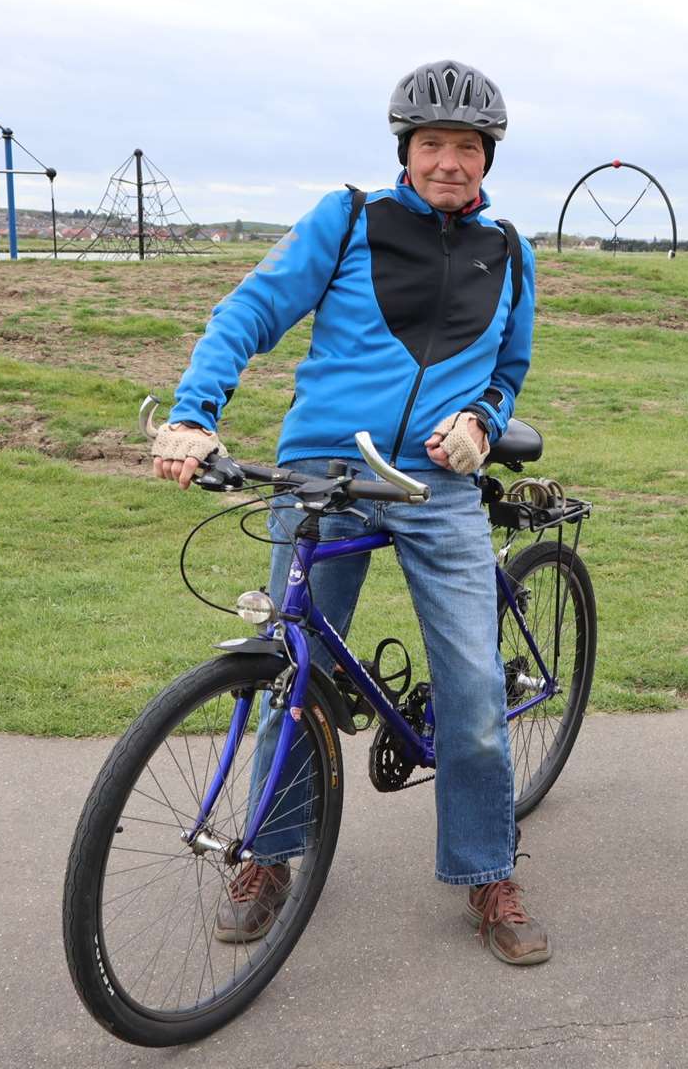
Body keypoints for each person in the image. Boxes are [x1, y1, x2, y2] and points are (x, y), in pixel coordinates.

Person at [149, 60, 547, 965]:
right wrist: (191, 415)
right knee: (298, 668)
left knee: (475, 691)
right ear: (406, 150)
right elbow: (252, 310)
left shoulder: (508, 251)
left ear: (488, 159)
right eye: (433, 145)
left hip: (436, 486)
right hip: (323, 470)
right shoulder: (349, 219)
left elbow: (506, 371)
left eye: (468, 148)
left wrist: (480, 423)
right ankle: (272, 856)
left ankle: (487, 867)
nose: (450, 162)